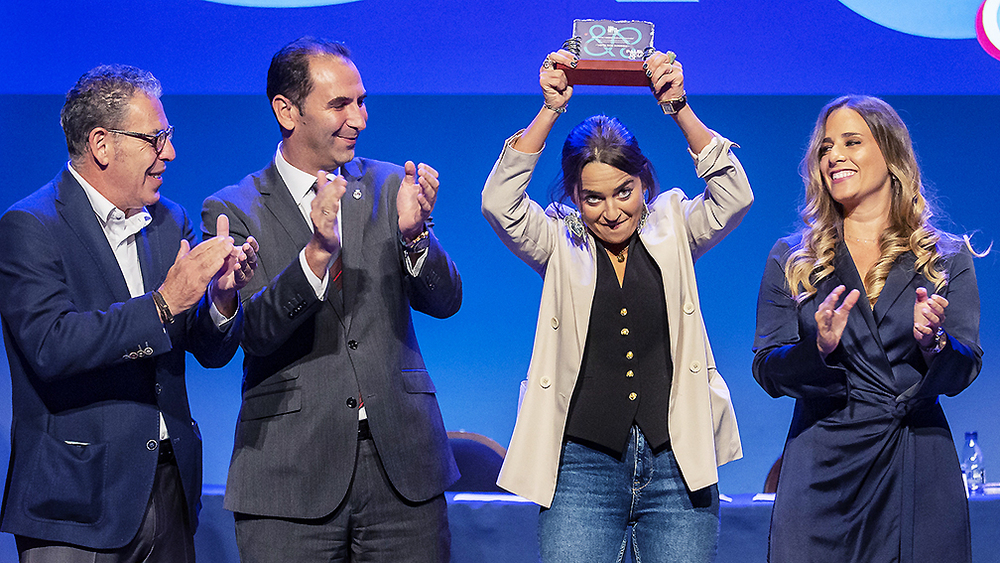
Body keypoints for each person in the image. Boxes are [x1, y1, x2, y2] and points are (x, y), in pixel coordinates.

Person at [482, 48, 750, 562]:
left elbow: (734, 196)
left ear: (644, 181)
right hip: (580, 467)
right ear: (575, 198)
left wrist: (679, 109)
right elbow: (499, 203)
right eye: (593, 198)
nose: (611, 212)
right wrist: (550, 110)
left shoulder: (673, 225)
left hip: (677, 464)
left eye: (624, 191)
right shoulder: (560, 239)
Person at [201, 37, 462, 562]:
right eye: (340, 105)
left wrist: (416, 238)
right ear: (286, 110)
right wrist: (317, 254)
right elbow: (253, 332)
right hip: (289, 472)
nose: (359, 119)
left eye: (361, 101)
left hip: (402, 467)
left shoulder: (391, 185)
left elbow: (445, 300)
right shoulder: (233, 207)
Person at [0, 64, 257, 562]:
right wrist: (164, 304)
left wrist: (222, 299)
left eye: (169, 136)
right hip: (76, 504)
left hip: (170, 488)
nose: (170, 153)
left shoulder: (169, 221)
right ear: (101, 144)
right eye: (155, 138)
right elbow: (52, 346)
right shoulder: (29, 226)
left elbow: (204, 348)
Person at [753, 95, 984, 562]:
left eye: (851, 142)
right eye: (825, 148)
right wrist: (817, 347)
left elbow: (964, 369)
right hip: (822, 469)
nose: (833, 156)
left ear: (890, 154)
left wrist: (934, 343)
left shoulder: (945, 256)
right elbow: (768, 370)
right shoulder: (793, 258)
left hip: (915, 463)